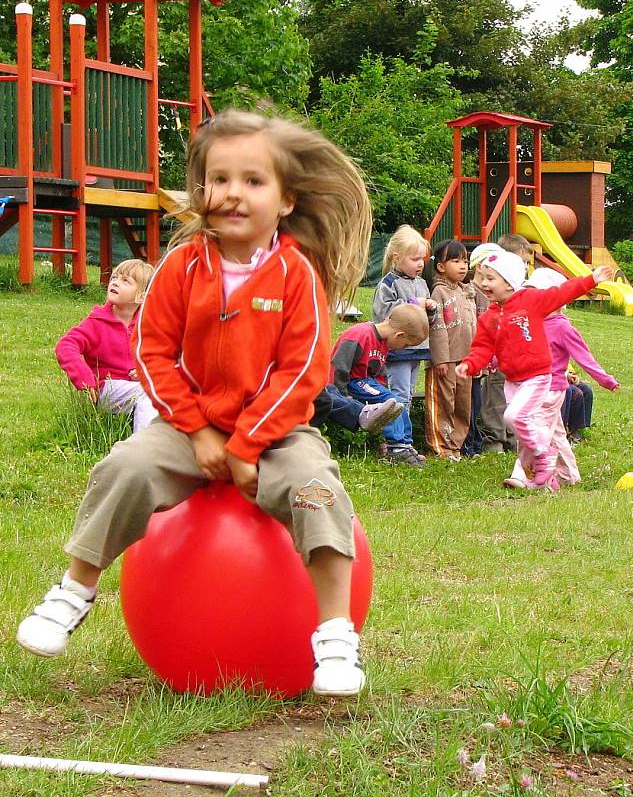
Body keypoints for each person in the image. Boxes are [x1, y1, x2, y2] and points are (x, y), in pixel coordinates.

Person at [17, 109, 373, 698]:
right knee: (125, 466)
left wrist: (247, 444)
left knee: (319, 489)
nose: (233, 194)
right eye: (219, 179)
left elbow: (303, 371)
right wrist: (202, 434)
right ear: (201, 189)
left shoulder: (296, 274)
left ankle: (334, 633)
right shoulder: (181, 267)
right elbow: (150, 355)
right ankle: (74, 590)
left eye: (253, 181)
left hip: (278, 434)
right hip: (190, 426)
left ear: (286, 200)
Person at [455, 250, 613, 491]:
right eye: (482, 278)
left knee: (515, 417)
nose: (484, 284)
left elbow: (562, 293)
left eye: (490, 278)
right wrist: (470, 364)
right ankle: (550, 477)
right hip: (513, 381)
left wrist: (592, 279)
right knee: (526, 429)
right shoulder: (490, 317)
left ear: (509, 283)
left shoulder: (531, 301)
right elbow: (484, 348)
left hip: (539, 379)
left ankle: (538, 461)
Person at [503, 267, 619, 489]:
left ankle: (524, 475)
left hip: (551, 390)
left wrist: (604, 379)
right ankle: (568, 475)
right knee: (554, 433)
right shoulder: (527, 323)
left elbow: (584, 357)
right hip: (529, 388)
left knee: (533, 432)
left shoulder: (562, 327)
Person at [55, 258, 157, 434]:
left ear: (141, 296)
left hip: (140, 386)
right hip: (105, 389)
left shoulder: (150, 323)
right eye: (115, 277)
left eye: (125, 281)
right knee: (149, 393)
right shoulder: (96, 322)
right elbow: (65, 345)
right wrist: (85, 379)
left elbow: (169, 352)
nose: (115, 282)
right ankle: (143, 449)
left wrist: (147, 369)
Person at [330, 303, 430, 466]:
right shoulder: (360, 334)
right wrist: (341, 394)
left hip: (366, 383)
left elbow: (379, 373)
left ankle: (405, 444)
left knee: (397, 402)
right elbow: (339, 365)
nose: (402, 348)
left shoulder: (383, 342)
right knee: (391, 402)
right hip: (353, 382)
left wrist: (383, 390)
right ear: (399, 334)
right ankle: (396, 448)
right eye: (405, 345)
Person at [470, 238, 534, 453]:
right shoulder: (484, 294)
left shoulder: (515, 294)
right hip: (494, 357)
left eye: (527, 263)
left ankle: (511, 436)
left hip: (512, 356)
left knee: (512, 398)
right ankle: (494, 438)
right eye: (521, 262)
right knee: (495, 399)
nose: (525, 267)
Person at [372, 225, 436, 423]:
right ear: (397, 258)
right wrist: (415, 304)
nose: (420, 264)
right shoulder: (389, 283)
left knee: (407, 393)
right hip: (397, 349)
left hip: (416, 348)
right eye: (414, 259)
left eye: (422, 259)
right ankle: (396, 439)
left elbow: (426, 321)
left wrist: (432, 310)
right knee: (398, 395)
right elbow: (385, 313)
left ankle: (403, 437)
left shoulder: (421, 283)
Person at [424, 239, 477, 461]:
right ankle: (440, 446)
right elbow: (438, 329)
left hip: (466, 360)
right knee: (444, 403)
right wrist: (441, 359)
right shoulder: (439, 293)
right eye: (456, 261)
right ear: (441, 266)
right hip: (447, 361)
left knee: (463, 406)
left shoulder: (466, 292)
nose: (463, 266)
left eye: (465, 260)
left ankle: (455, 446)